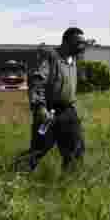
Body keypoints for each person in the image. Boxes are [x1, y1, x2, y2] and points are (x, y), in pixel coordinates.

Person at [21, 27, 88, 172]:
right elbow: (37, 80)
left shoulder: (74, 59)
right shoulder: (51, 57)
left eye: (83, 43)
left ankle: (69, 185)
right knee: (39, 149)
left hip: (68, 111)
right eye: (78, 42)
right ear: (66, 41)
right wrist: (39, 107)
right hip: (48, 111)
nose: (81, 46)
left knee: (75, 149)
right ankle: (15, 175)